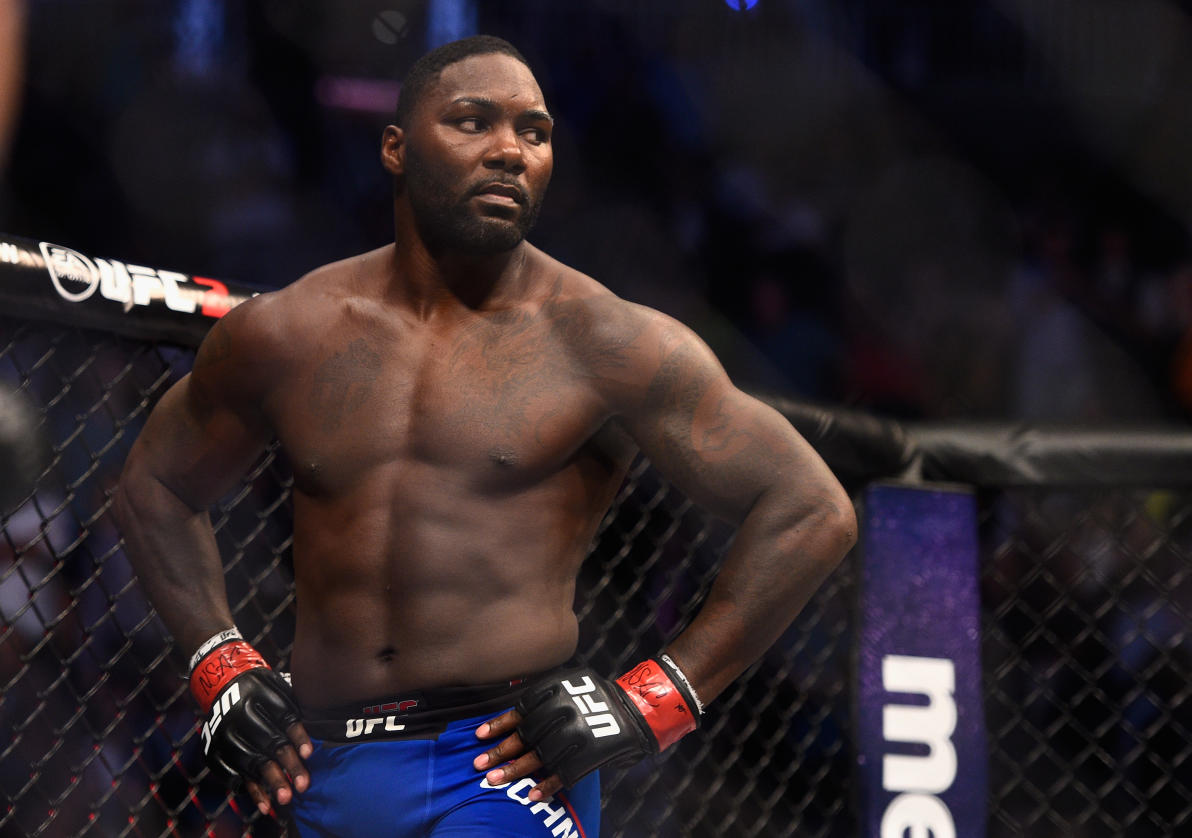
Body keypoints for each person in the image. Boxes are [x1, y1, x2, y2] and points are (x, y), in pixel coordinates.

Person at [115, 35, 856, 837]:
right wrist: (219, 660)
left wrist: (657, 699)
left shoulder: (607, 340)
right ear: (395, 148)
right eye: (473, 122)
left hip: (503, 766)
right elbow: (153, 486)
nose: (510, 150)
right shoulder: (290, 332)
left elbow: (812, 508)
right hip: (319, 764)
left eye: (533, 132)